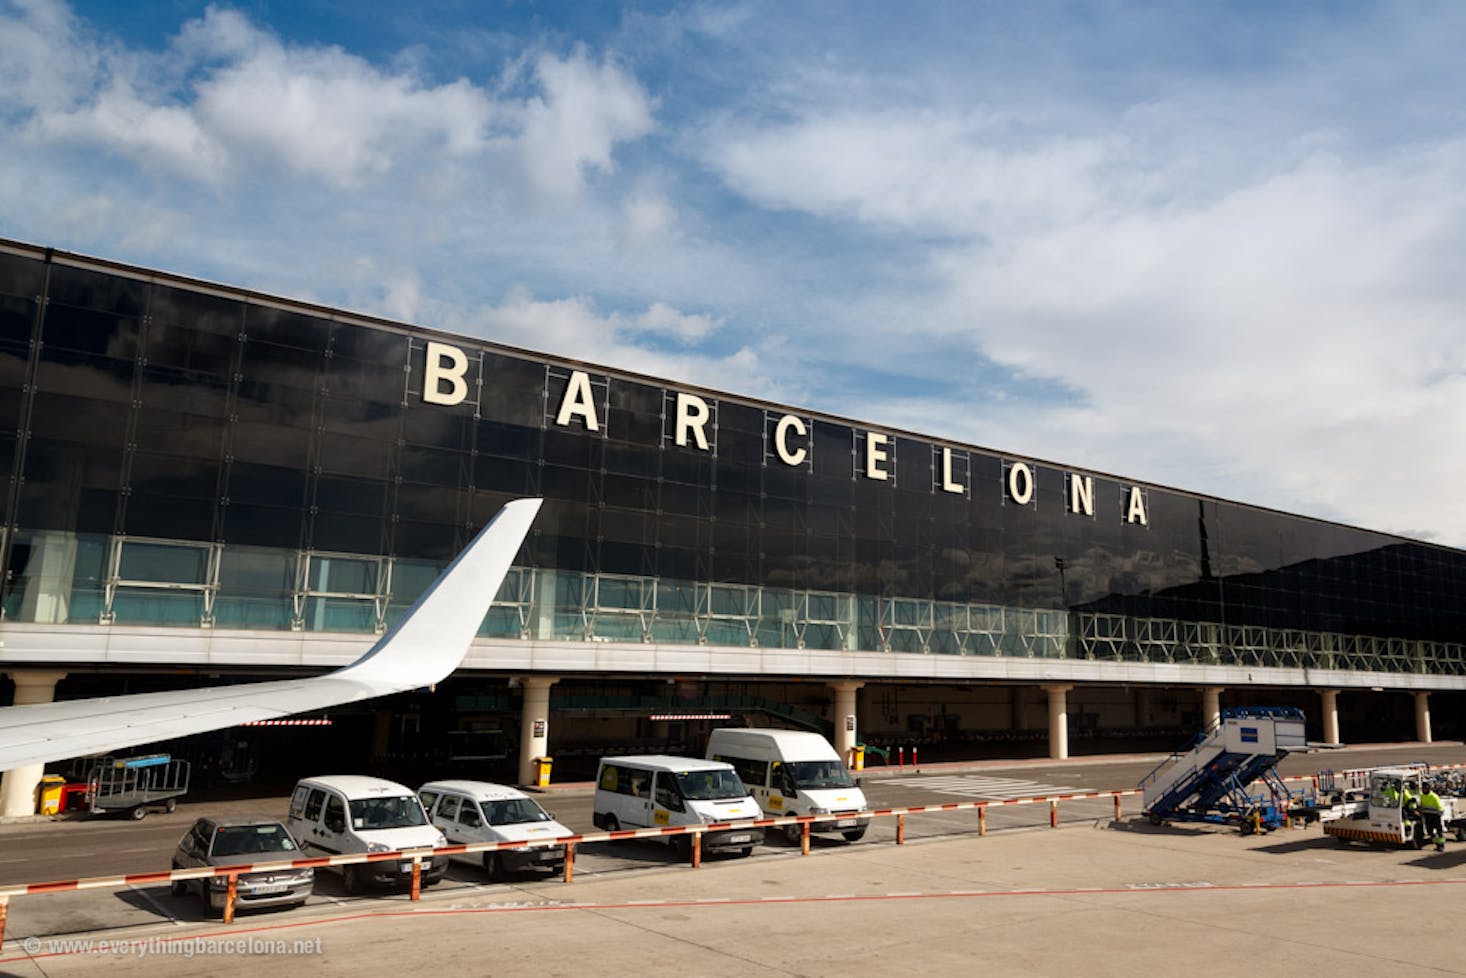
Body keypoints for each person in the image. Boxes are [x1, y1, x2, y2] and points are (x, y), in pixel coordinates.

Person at [1419, 784, 1446, 852]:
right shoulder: (1422, 796)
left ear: (1429, 789)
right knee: (1429, 832)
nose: (1424, 790)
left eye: (1425, 789)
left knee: (1439, 831)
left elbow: (1440, 807)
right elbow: (1421, 805)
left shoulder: (1434, 796)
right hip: (1427, 816)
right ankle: (1437, 843)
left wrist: (1439, 814)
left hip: (1435, 816)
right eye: (1423, 789)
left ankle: (1441, 846)